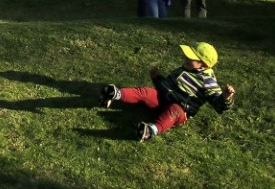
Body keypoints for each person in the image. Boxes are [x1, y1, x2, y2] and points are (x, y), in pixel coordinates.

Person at [99, 41, 236, 142]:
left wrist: (225, 96)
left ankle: (150, 131)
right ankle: (115, 94)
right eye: (187, 56)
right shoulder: (184, 68)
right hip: (162, 98)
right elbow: (167, 85)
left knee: (174, 111)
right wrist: (157, 78)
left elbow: (219, 105)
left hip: (181, 109)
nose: (186, 59)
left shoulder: (208, 81)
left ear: (204, 65)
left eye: (191, 58)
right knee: (145, 91)